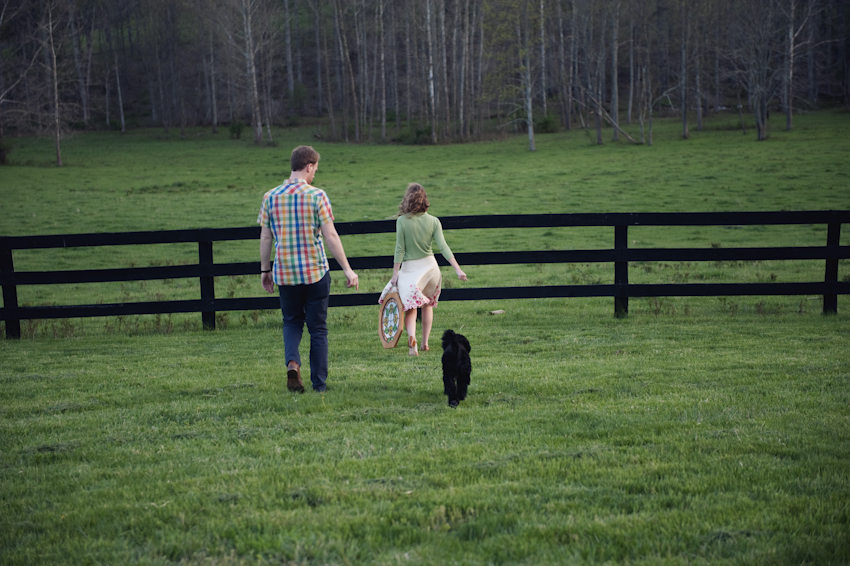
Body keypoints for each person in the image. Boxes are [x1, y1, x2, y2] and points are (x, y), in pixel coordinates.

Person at [259, 145, 358, 393]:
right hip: (315, 272)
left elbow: (265, 237)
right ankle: (319, 385)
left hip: (285, 272)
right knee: (318, 329)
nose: (315, 174)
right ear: (309, 166)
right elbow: (330, 236)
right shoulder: (317, 196)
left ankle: (293, 363)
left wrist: (265, 270)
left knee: (291, 322)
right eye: (315, 169)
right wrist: (347, 269)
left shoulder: (270, 196)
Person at [386, 183, 467, 356]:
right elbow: (443, 247)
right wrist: (458, 270)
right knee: (427, 305)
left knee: (410, 308)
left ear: (408, 199)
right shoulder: (434, 221)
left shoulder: (402, 221)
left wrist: (395, 274)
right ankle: (425, 344)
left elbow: (399, 249)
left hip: (410, 270)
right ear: (425, 200)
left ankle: (412, 341)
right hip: (431, 269)